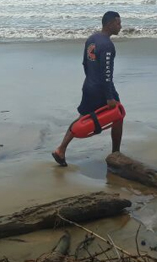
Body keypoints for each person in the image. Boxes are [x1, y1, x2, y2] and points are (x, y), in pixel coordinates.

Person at [52, 11, 123, 166]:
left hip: (89, 85)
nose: (120, 26)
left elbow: (85, 63)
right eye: (118, 23)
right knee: (118, 116)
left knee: (82, 117)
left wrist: (90, 79)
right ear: (110, 24)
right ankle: (116, 155)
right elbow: (107, 74)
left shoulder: (92, 39)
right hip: (102, 89)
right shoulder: (107, 46)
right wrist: (109, 97)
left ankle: (61, 149)